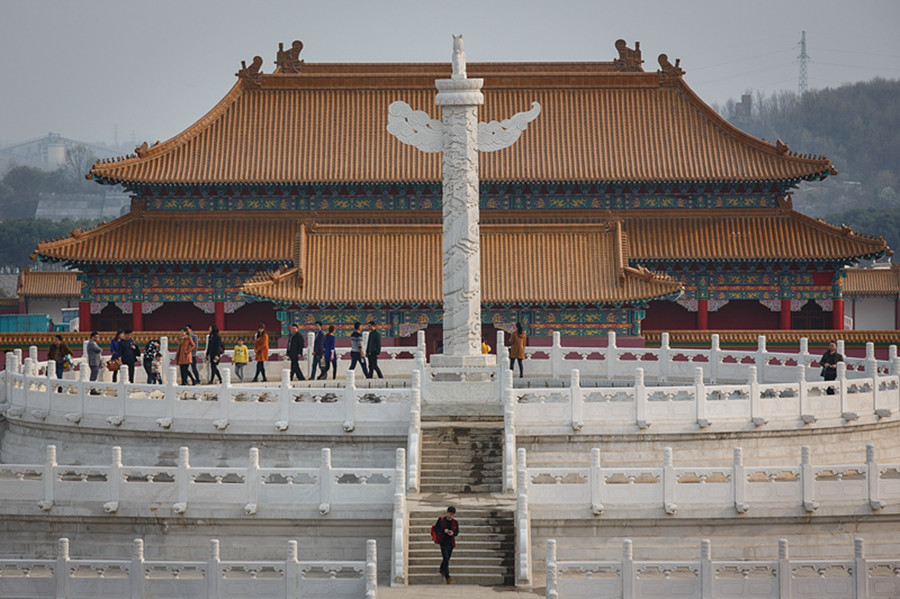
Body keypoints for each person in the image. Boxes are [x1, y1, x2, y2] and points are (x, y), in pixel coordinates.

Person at [432, 506, 459, 584]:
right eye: (450, 514)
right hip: (443, 542)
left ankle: (442, 568)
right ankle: (447, 576)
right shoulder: (441, 520)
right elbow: (436, 529)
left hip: (451, 543)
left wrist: (453, 533)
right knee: (446, 557)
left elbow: (457, 532)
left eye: (452, 515)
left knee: (447, 558)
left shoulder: (455, 522)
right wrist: (443, 531)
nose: (451, 516)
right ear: (447, 513)